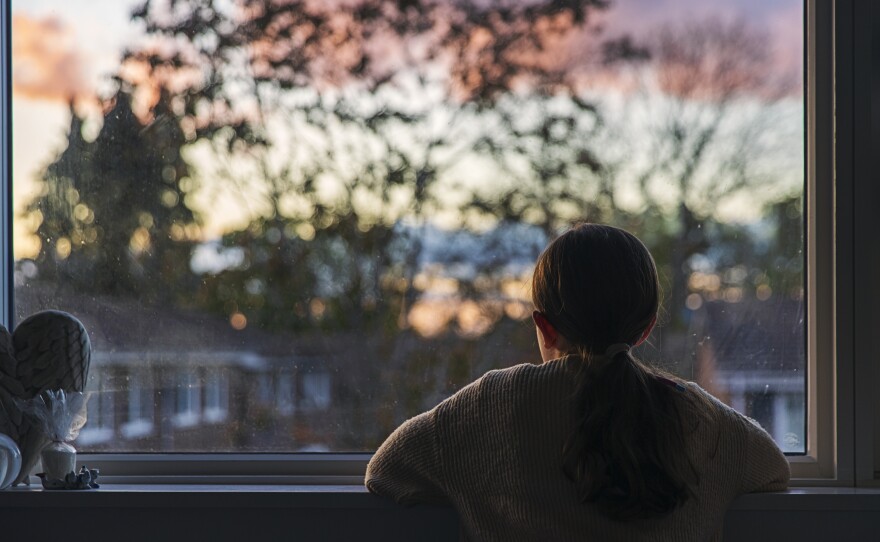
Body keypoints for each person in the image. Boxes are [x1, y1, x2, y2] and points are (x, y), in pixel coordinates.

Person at [366, 223, 789, 541]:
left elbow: (386, 471)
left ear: (544, 327)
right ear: (645, 330)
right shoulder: (697, 417)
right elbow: (773, 471)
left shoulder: (494, 404)